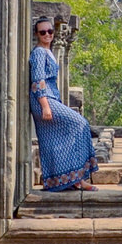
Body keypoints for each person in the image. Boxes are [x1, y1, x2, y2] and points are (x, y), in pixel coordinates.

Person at [29, 17, 100, 191]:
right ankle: (74, 179)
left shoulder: (49, 51)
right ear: (37, 34)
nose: (47, 35)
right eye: (43, 32)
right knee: (80, 123)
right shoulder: (38, 52)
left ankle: (73, 179)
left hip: (51, 99)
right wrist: (45, 105)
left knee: (56, 140)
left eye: (50, 31)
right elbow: (38, 79)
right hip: (43, 100)